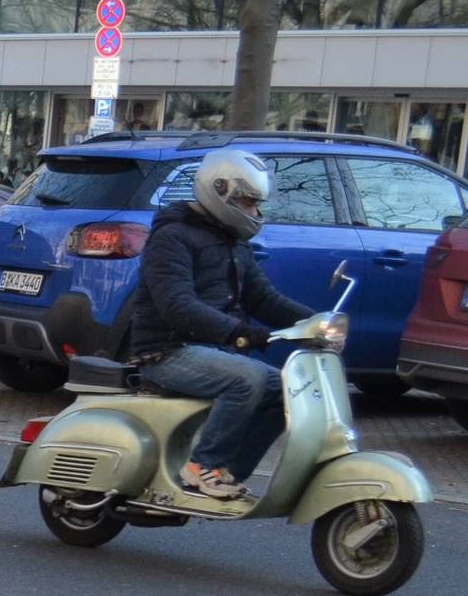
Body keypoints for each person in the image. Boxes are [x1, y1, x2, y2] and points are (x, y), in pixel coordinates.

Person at [128, 147, 322, 501]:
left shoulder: (232, 241)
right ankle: (204, 466)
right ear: (220, 191)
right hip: (166, 351)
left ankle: (226, 470)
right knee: (249, 379)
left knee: (284, 389)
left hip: (212, 348)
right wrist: (239, 333)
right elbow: (177, 305)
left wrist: (315, 322)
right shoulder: (172, 237)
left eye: (255, 203)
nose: (255, 212)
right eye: (248, 202)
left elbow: (263, 298)